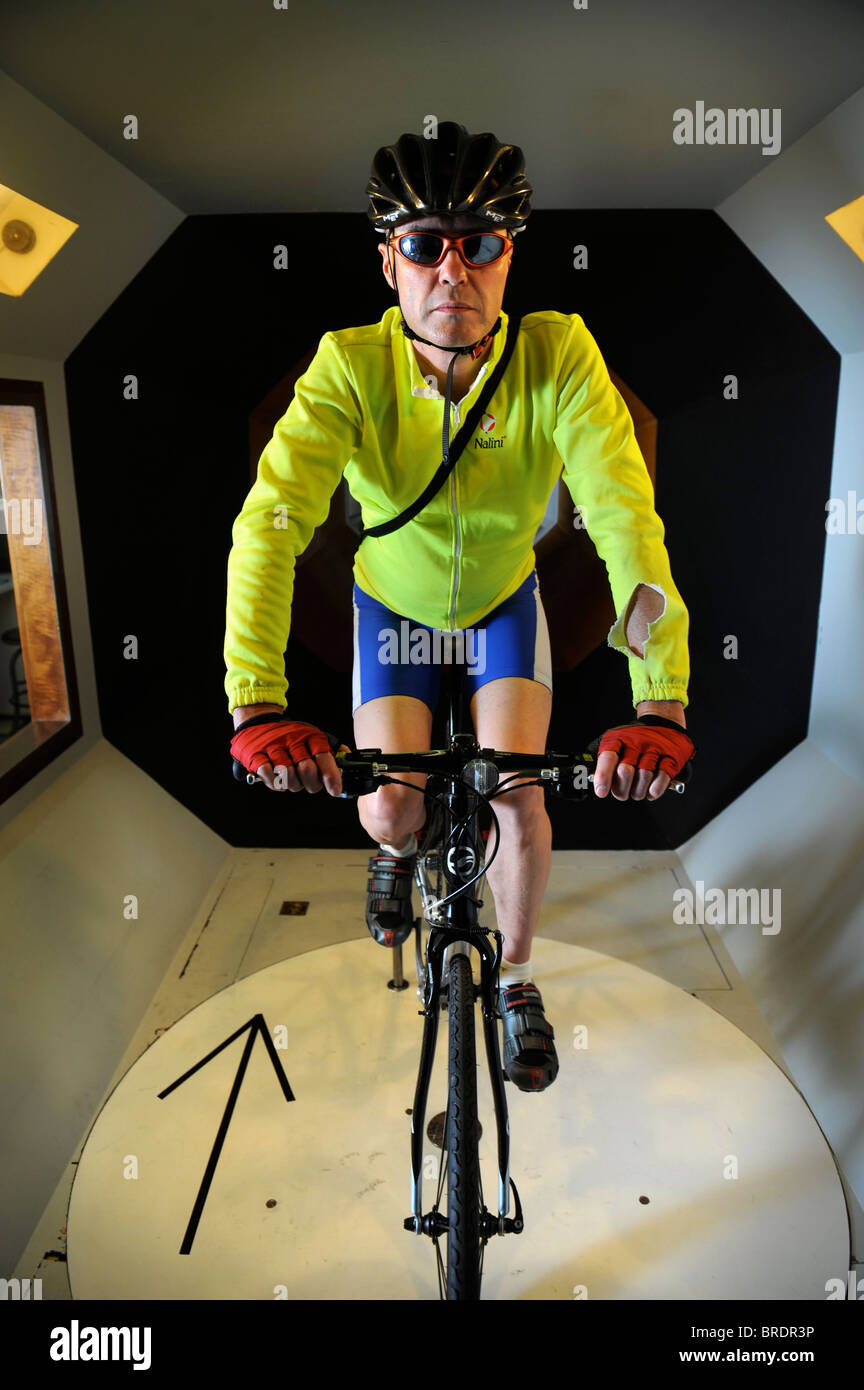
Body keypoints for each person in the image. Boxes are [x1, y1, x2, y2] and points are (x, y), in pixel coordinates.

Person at [225, 122, 694, 1094]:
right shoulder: (348, 365)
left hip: (500, 608)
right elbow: (270, 526)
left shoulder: (558, 354)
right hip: (390, 607)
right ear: (389, 262)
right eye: (424, 243)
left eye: (479, 242)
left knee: (519, 801)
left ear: (509, 254)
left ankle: (519, 979)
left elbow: (623, 520)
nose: (453, 270)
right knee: (390, 803)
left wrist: (662, 701)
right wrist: (255, 703)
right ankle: (394, 855)